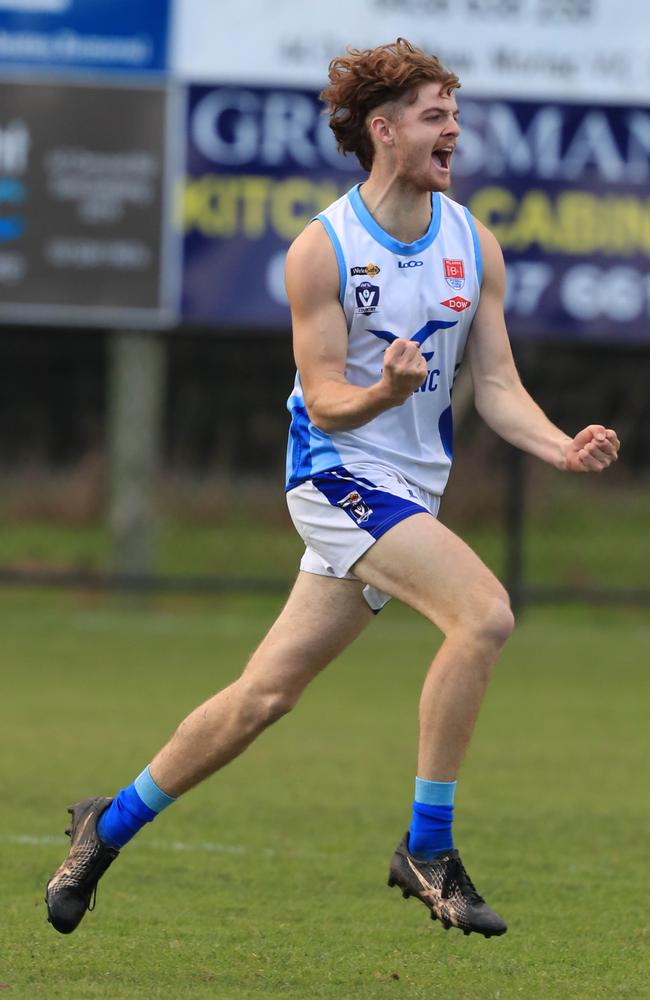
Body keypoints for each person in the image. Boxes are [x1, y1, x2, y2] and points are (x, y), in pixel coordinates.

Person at [45, 38, 620, 939]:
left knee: (264, 696)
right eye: (436, 117)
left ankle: (104, 825)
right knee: (486, 614)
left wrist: (559, 447)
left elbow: (499, 387)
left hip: (404, 495)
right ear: (383, 130)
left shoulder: (474, 242)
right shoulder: (322, 250)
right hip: (335, 475)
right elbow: (325, 403)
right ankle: (428, 846)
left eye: (454, 116)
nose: (454, 132)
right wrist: (385, 391)